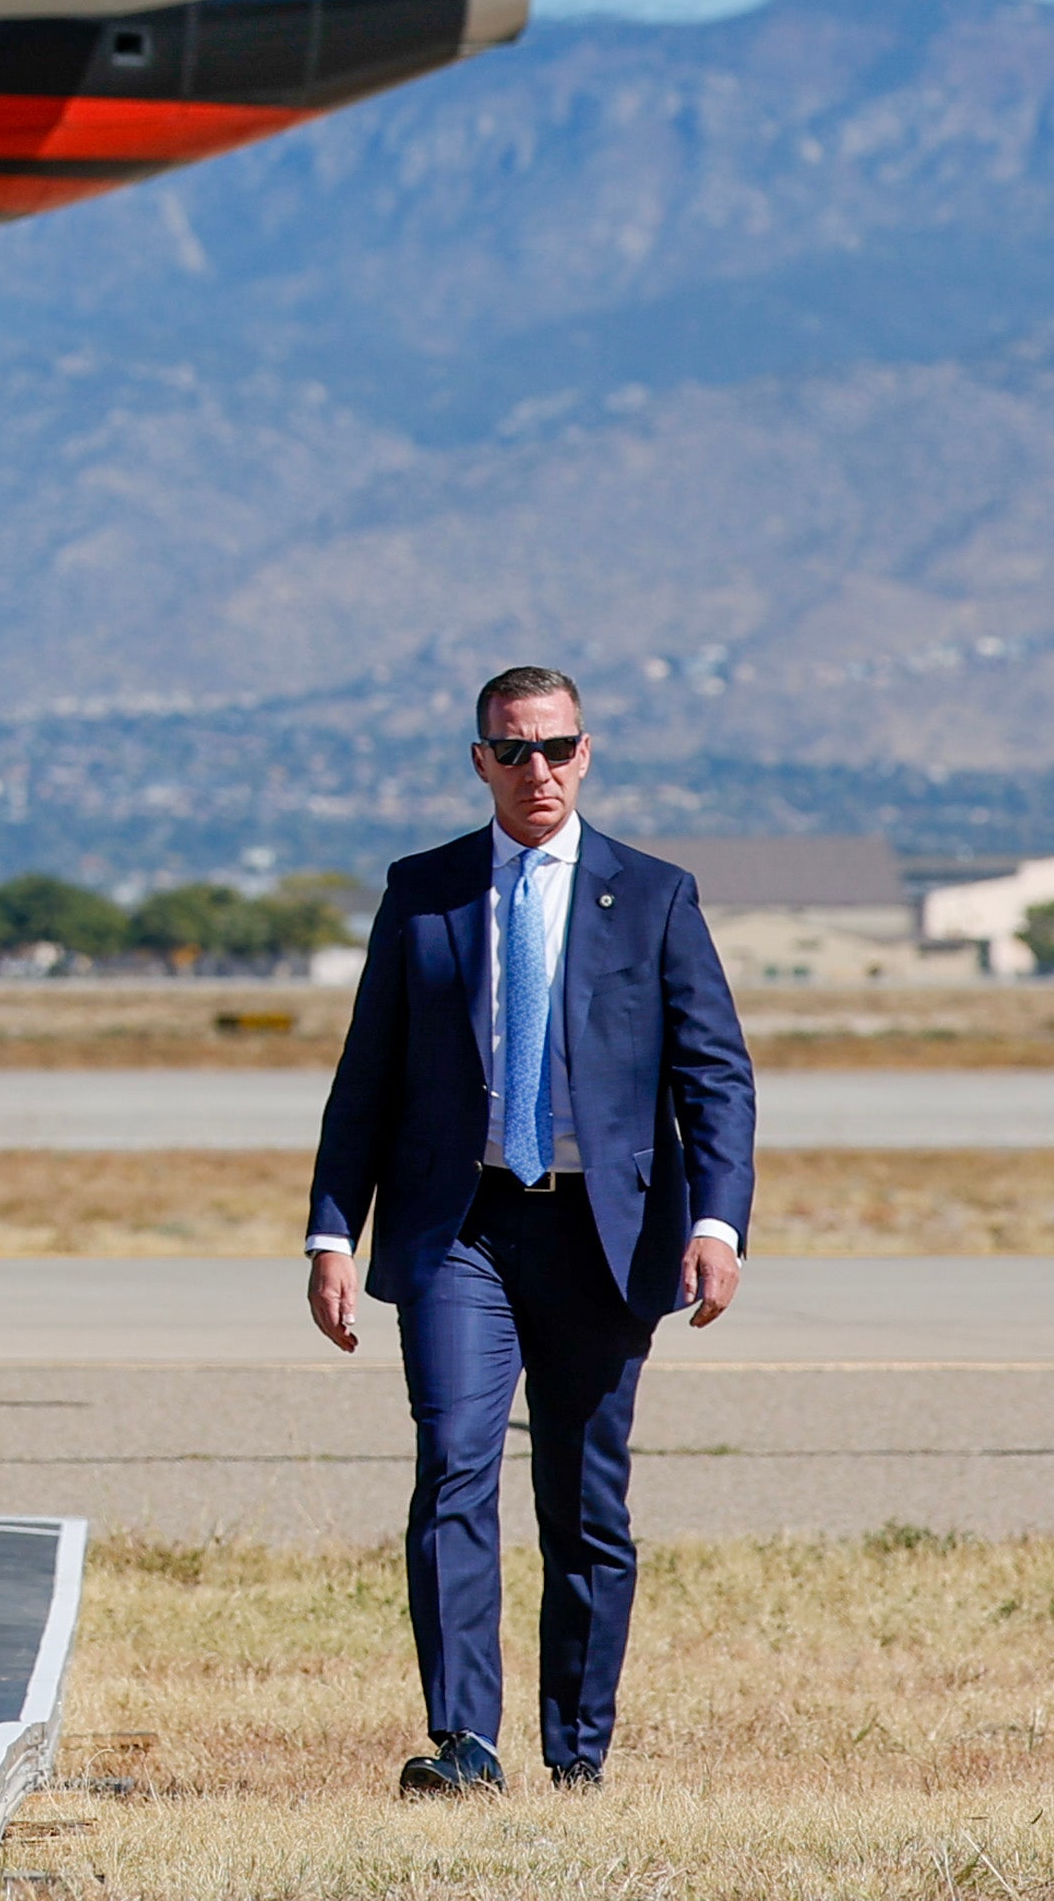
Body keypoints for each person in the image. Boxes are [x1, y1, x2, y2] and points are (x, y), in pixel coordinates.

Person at [303, 664, 752, 1796]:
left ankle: (577, 1751)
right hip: (462, 1228)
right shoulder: (425, 892)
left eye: (555, 748)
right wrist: (328, 1234)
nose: (536, 770)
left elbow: (715, 1076)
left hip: (605, 1235)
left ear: (586, 753)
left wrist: (717, 1220)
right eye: (513, 750)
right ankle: (466, 1741)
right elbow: (368, 1075)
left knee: (585, 1496)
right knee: (453, 1464)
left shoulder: (652, 894)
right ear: (479, 762)